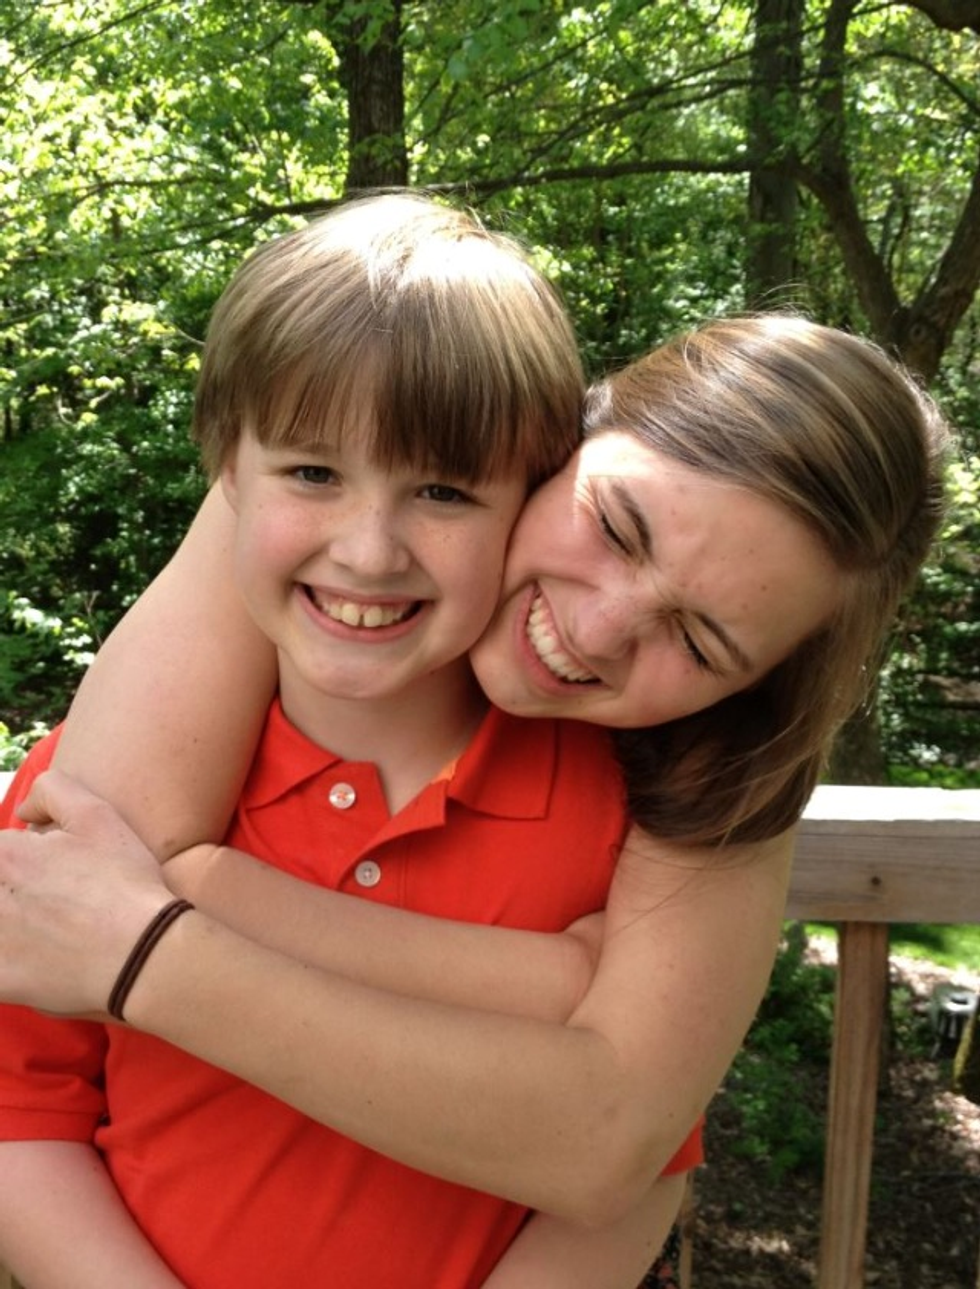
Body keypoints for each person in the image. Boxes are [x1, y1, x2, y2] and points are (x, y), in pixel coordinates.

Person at [0, 285, 950, 1282]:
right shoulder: (167, 730)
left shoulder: (663, 801)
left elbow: (618, 1154)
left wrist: (163, 924)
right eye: (617, 526)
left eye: (702, 643)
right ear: (554, 445)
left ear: (751, 688)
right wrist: (557, 980)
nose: (597, 629)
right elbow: (27, 1086)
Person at [0, 192, 706, 1289]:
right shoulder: (97, 780)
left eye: (443, 491)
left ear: (529, 505)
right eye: (313, 473)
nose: (370, 551)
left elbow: (643, 1157)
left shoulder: (613, 809)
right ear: (228, 472)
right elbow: (21, 1106)